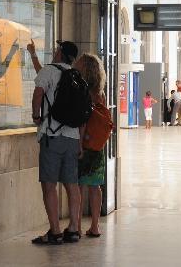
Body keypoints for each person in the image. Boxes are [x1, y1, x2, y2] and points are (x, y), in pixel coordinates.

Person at [27, 39, 82, 245]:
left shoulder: (49, 72)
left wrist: (35, 116)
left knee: (49, 185)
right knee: (72, 185)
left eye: (57, 48)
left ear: (59, 52)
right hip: (72, 138)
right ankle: (74, 229)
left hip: (52, 136)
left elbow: (39, 92)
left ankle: (56, 232)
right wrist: (80, 144)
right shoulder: (75, 75)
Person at [76, 52, 107, 238]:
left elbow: (83, 121)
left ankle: (77, 225)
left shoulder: (82, 91)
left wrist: (79, 144)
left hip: (84, 143)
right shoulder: (100, 92)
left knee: (78, 185)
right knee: (95, 186)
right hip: (97, 145)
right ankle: (95, 226)